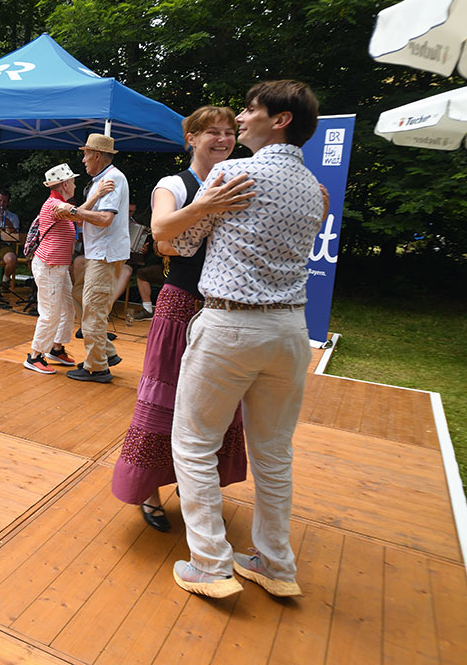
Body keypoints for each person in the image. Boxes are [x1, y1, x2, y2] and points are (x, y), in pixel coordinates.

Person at [169, 80, 325, 600]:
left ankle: (211, 564)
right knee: (274, 454)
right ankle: (276, 564)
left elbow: (180, 241)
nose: (240, 116)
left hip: (230, 326)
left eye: (251, 108)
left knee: (194, 444)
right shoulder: (313, 187)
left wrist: (201, 206)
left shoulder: (232, 172)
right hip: (291, 330)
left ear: (280, 119)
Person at [111, 107, 254, 534]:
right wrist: (204, 205)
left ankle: (201, 489)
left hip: (226, 309)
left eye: (229, 132)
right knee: (164, 400)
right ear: (190, 137)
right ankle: (150, 490)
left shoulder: (243, 179)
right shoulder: (175, 184)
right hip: (182, 306)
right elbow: (160, 231)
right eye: (212, 131)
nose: (224, 138)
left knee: (218, 404)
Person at [54, 133, 130, 383]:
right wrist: (76, 211)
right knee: (79, 295)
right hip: (98, 253)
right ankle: (105, 352)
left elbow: (105, 218)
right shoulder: (100, 180)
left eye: (86, 154)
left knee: (93, 310)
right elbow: (82, 214)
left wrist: (72, 210)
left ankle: (97, 367)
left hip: (105, 255)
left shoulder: (112, 178)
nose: (83, 159)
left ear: (97, 155)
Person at [23, 164, 79, 374]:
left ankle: (56, 349)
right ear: (65, 184)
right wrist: (98, 194)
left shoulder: (59, 203)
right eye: (72, 181)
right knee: (50, 313)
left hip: (58, 267)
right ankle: (35, 355)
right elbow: (79, 214)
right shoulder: (56, 205)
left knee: (67, 308)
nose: (75, 184)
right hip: (49, 266)